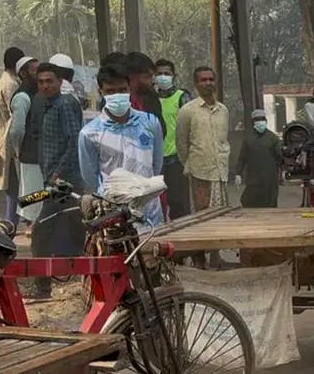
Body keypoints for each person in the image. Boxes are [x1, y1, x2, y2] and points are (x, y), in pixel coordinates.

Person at [79, 62, 165, 229]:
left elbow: (156, 164)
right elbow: (90, 177)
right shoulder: (89, 133)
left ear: (129, 89)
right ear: (101, 92)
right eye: (110, 91)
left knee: (155, 246)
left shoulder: (150, 122)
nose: (117, 95)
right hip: (113, 214)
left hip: (150, 212)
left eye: (122, 90)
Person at [31, 62, 86, 298]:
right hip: (54, 179)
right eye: (41, 82)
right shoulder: (47, 105)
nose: (45, 86)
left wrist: (57, 174)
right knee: (76, 226)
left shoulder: (64, 105)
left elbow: (74, 141)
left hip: (62, 181)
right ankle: (86, 277)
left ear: (60, 81)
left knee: (41, 230)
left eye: (49, 81)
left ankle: (43, 287)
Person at [176, 66, 231, 270]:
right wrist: (190, 164)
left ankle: (216, 257)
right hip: (200, 173)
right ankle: (199, 260)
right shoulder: (187, 111)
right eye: (203, 80)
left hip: (220, 173)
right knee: (199, 218)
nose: (208, 83)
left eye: (211, 79)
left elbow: (223, 140)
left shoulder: (223, 110)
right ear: (196, 84)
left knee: (219, 217)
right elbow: (181, 143)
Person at [7, 56, 44, 224]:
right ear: (23, 73)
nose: (39, 74)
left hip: (38, 156)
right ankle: (32, 228)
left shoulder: (36, 94)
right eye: (35, 71)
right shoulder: (22, 97)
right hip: (30, 158)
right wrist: (17, 149)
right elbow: (16, 130)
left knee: (39, 196)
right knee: (32, 199)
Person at [154, 58, 192, 221]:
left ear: (174, 76)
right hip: (156, 161)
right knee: (157, 205)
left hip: (177, 161)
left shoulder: (182, 97)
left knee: (180, 206)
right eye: (159, 74)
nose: (163, 77)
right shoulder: (150, 99)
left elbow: (191, 126)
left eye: (166, 73)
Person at [0, 46, 24, 225]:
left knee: (13, 187)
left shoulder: (3, 81)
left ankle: (11, 221)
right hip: (12, 144)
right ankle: (10, 223)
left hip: (6, 140)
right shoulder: (11, 84)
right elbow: (16, 117)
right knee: (15, 187)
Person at [235, 109, 283, 208]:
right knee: (249, 203)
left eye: (262, 119)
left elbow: (280, 157)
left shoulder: (273, 138)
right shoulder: (248, 138)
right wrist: (238, 173)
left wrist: (282, 172)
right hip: (253, 179)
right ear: (253, 122)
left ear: (266, 121)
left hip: (269, 179)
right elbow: (242, 157)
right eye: (257, 120)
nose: (260, 122)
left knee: (269, 204)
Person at [127, 52, 167, 135]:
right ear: (132, 76)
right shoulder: (118, 100)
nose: (152, 81)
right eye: (147, 77)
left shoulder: (151, 97)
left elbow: (161, 129)